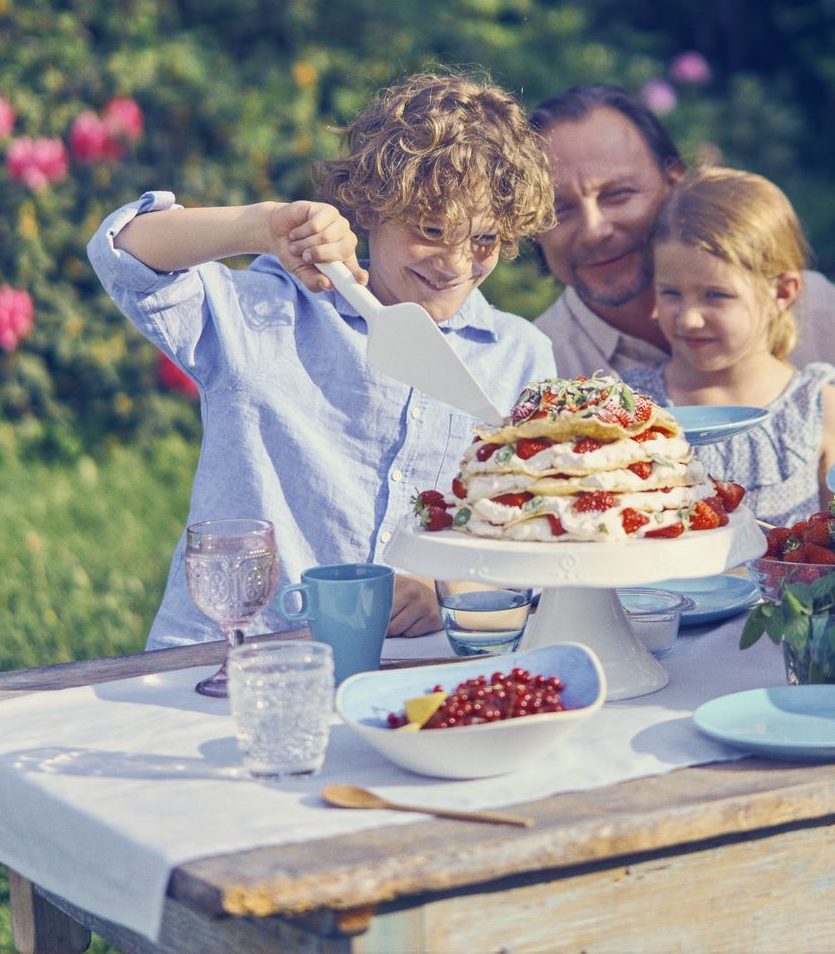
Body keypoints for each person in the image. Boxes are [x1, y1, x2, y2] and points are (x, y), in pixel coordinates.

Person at [87, 72, 557, 647]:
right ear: (372, 208)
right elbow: (125, 258)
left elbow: (525, 531)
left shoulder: (520, 356)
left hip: (411, 664)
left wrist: (445, 591)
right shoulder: (272, 312)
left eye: (484, 240)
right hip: (224, 657)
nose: (457, 264)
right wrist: (262, 226)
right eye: (431, 229)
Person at [530, 84, 835, 445]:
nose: (594, 229)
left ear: (674, 182)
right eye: (559, 209)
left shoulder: (811, 305)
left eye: (618, 194)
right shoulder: (533, 364)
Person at [618, 168, 835, 536]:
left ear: (782, 292)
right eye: (671, 293)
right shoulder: (633, 408)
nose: (689, 318)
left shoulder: (822, 410)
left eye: (716, 295)